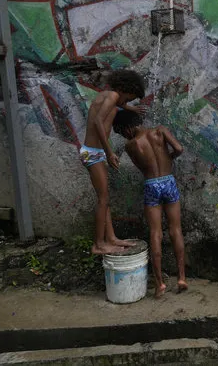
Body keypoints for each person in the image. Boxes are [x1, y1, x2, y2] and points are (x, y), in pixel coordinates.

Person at [113, 110, 187, 298]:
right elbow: (179, 149)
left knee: (155, 233)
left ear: (128, 127)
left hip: (151, 185)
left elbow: (143, 168)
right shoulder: (160, 131)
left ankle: (160, 283)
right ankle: (182, 278)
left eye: (123, 132)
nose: (125, 136)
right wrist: (168, 160)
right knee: (175, 229)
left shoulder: (131, 145)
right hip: (168, 181)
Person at [81, 70, 146, 255]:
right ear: (126, 90)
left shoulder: (109, 96)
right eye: (130, 98)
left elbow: (117, 105)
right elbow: (98, 123)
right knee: (103, 199)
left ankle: (111, 238)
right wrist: (109, 152)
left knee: (105, 198)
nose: (127, 102)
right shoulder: (112, 96)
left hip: (95, 153)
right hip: (93, 153)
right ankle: (98, 244)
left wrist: (130, 108)